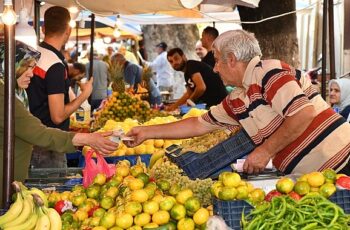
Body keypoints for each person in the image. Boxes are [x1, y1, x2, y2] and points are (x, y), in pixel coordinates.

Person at [126, 30, 350, 176]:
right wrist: (147, 132)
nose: (214, 68)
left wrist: (264, 151)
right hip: (316, 177)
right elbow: (198, 124)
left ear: (231, 59)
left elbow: (303, 114)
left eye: (216, 60)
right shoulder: (237, 98)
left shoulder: (269, 71)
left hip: (341, 162)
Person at [0, 39, 119, 197]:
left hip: (11, 183)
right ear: (9, 66)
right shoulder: (3, 97)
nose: (31, 73)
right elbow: (40, 134)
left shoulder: (16, 94)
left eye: (33, 67)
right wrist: (88, 139)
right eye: (26, 67)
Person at [26, 6, 93, 168]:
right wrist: (85, 94)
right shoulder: (55, 65)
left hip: (29, 138)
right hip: (48, 145)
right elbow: (58, 116)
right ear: (68, 31)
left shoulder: (31, 54)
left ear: (43, 29)